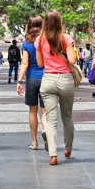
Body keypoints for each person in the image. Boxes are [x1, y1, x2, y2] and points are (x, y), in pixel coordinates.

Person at [35, 10, 76, 165]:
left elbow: (40, 64)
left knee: (51, 120)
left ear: (45, 22)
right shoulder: (66, 38)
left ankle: (53, 155)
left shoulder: (39, 40)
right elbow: (71, 60)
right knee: (67, 117)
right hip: (65, 79)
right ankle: (68, 149)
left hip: (48, 80)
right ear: (59, 22)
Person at [17, 16, 47, 151]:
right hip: (46, 78)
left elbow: (24, 63)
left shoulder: (27, 42)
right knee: (45, 111)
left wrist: (19, 81)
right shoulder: (47, 40)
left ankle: (34, 142)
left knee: (32, 111)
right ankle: (46, 129)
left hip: (31, 79)